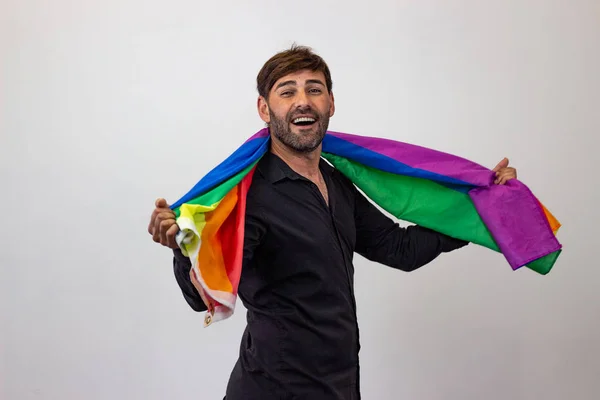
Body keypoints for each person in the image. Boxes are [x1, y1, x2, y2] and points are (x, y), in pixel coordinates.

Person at [147, 45, 517, 400]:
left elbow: (399, 249)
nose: (302, 100)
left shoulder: (335, 182)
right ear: (264, 108)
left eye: (314, 89)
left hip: (337, 385)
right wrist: (184, 247)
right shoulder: (252, 198)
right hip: (274, 389)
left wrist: (477, 208)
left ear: (331, 104)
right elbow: (203, 293)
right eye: (286, 92)